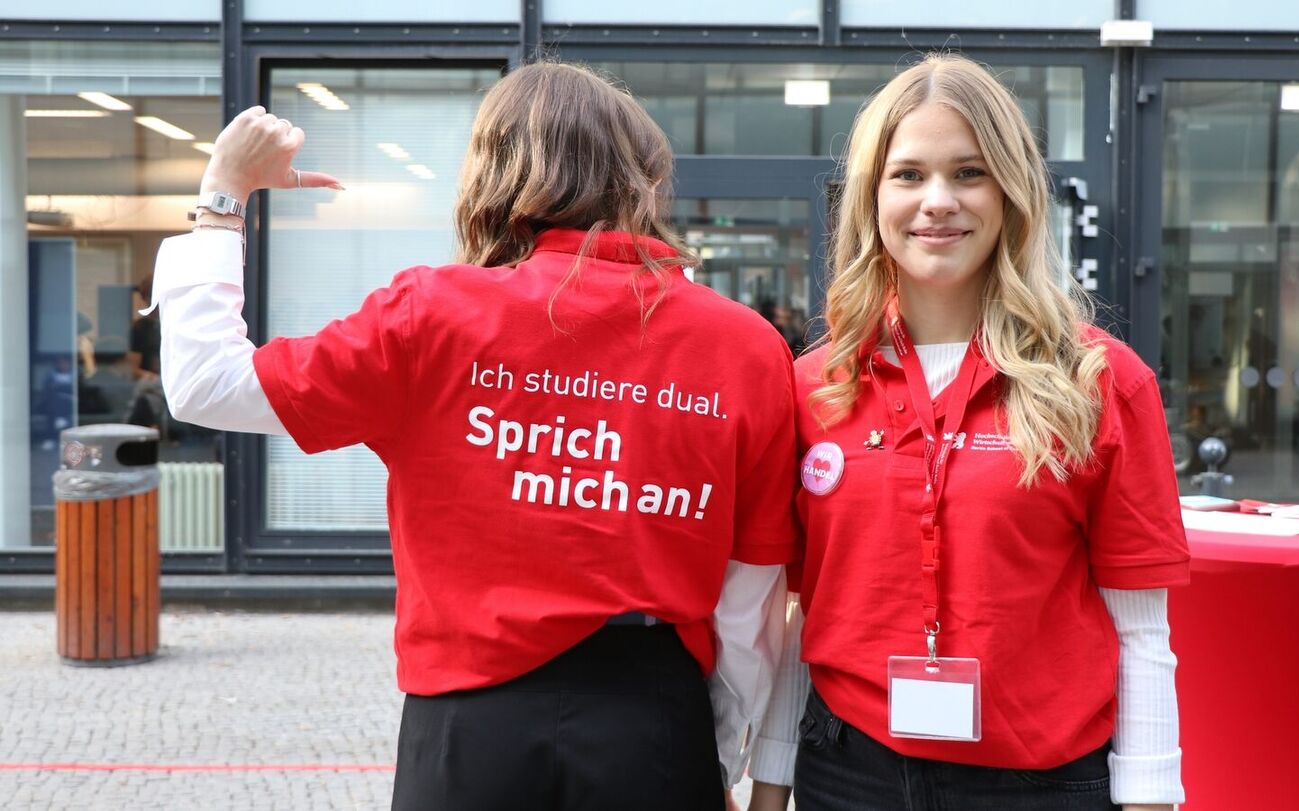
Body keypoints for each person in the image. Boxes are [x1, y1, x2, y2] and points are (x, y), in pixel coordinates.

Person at [149, 62, 798, 810]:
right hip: (652, 716)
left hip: (468, 719)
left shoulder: (432, 315)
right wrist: (715, 750)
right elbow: (750, 596)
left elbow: (205, 383)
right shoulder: (743, 344)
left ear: (492, 173)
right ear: (644, 178)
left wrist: (223, 198)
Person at [747, 55, 1190, 810]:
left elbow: (1143, 631)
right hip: (848, 774)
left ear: (1012, 192)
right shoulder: (813, 385)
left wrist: (1151, 797)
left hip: (1041, 784)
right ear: (872, 196)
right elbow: (803, 611)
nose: (938, 201)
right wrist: (770, 785)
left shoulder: (1101, 381)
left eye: (969, 172)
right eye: (909, 174)